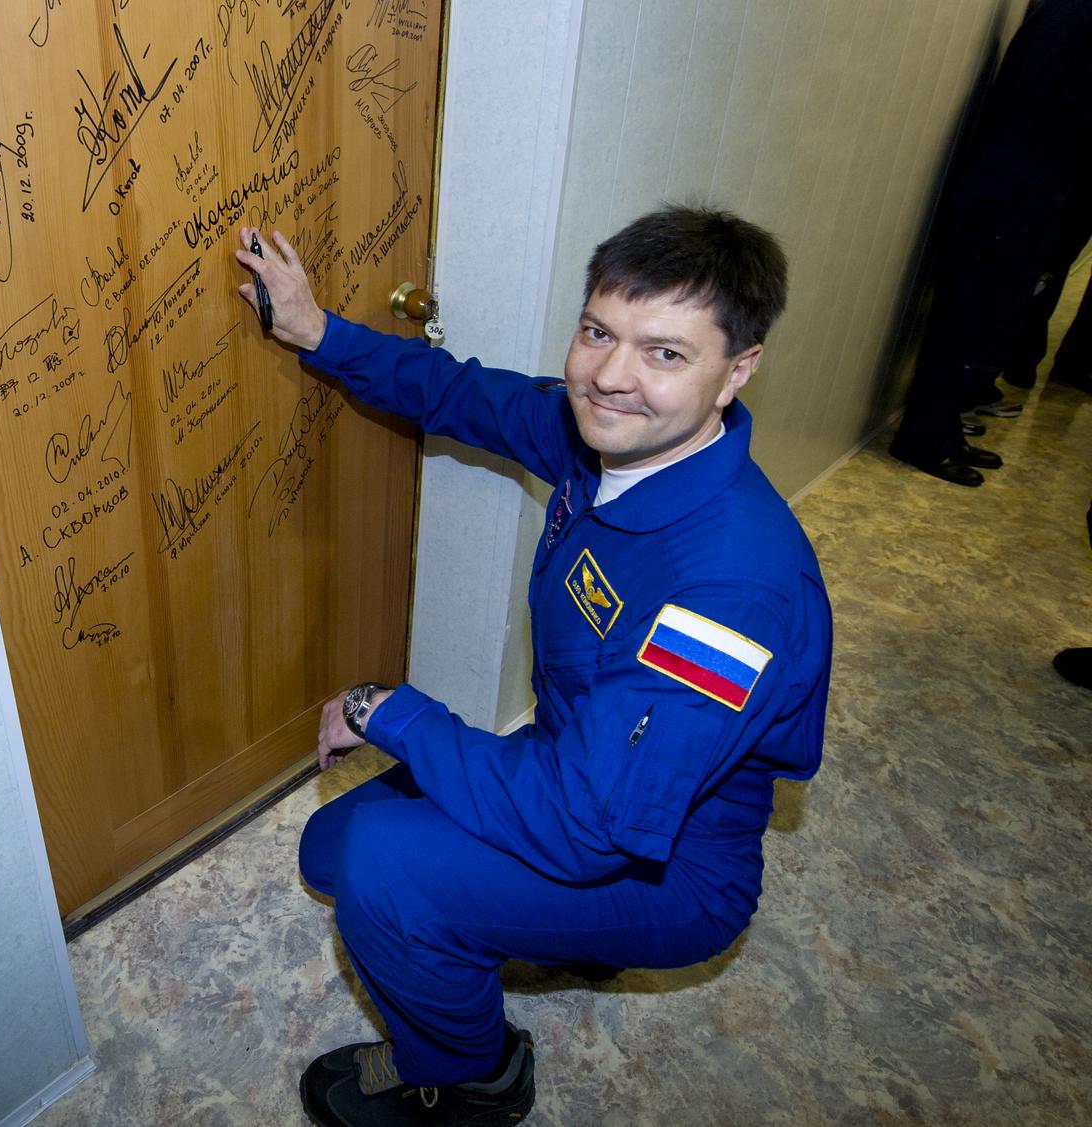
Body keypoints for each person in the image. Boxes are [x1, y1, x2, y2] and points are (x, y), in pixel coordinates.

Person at [235, 206, 832, 1127]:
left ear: (736, 371)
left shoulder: (727, 590)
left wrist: (394, 712)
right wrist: (317, 331)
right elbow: (464, 394)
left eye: (665, 353)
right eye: (599, 332)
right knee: (333, 849)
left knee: (384, 867)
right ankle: (523, 927)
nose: (609, 376)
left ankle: (470, 1074)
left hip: (662, 861)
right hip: (587, 771)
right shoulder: (614, 443)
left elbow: (587, 822)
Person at [889, 0, 1092, 486]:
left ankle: (942, 432)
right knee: (967, 323)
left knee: (980, 324)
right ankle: (927, 440)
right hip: (1016, 192)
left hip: (1024, 188)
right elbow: (1045, 106)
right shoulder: (1076, 14)